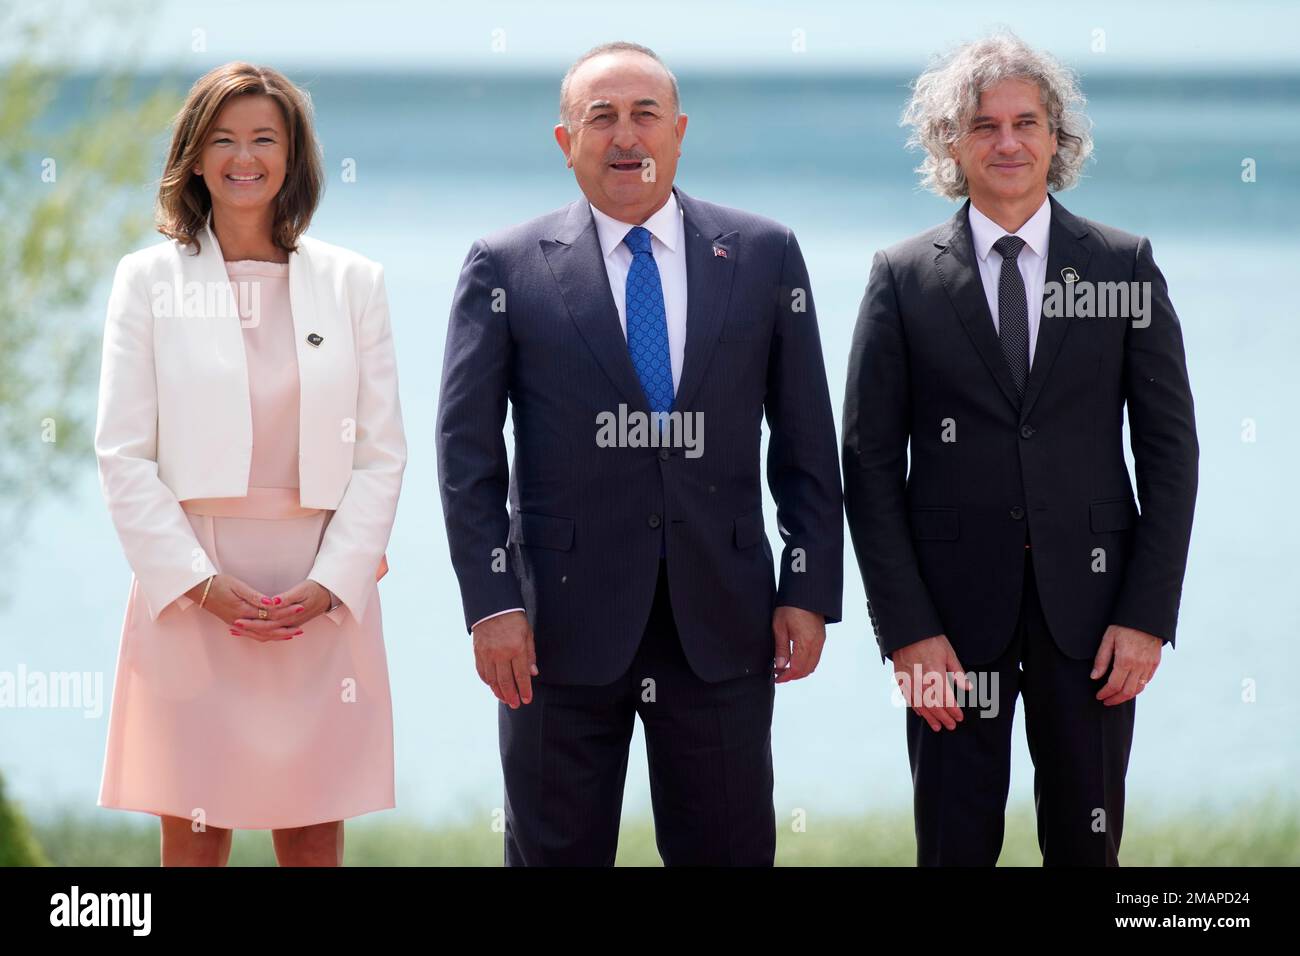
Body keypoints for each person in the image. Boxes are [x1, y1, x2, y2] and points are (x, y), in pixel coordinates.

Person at [437, 41, 843, 865]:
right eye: (602, 117)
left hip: (723, 623)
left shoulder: (765, 255)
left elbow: (806, 442)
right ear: (566, 141)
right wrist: (492, 604)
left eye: (645, 115)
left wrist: (807, 587)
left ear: (679, 131)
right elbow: (466, 453)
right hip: (553, 633)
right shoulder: (506, 265)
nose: (627, 137)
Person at [843, 32, 1198, 866]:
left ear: (1056, 140)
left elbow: (1171, 455)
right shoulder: (900, 276)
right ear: (951, 145)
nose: (1007, 142)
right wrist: (907, 634)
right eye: (983, 125)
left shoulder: (1123, 264)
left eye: (1026, 123)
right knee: (953, 850)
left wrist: (1146, 616)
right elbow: (866, 466)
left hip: (1098, 623)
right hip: (950, 631)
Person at [94, 62, 406, 866]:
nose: (244, 157)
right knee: (194, 836)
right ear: (195, 157)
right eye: (223, 139)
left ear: (292, 156)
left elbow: (381, 455)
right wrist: (199, 583)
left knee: (311, 835)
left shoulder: (353, 283)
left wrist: (335, 581)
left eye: (264, 138)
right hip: (192, 594)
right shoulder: (147, 281)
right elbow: (123, 455)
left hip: (320, 592)